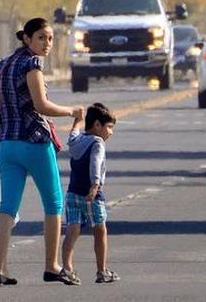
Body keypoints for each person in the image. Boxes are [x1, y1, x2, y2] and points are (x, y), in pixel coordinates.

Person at [0, 17, 84, 286]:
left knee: (7, 207)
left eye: (51, 38)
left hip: (8, 146)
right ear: (27, 39)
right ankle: (52, 266)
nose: (47, 44)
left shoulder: (3, 65)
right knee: (53, 204)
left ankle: (1, 269)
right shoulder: (32, 64)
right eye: (41, 38)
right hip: (35, 143)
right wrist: (71, 112)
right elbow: (41, 105)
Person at [62, 102, 119, 284]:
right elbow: (95, 163)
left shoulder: (77, 141)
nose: (111, 132)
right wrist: (95, 185)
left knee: (72, 230)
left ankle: (67, 269)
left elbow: (71, 137)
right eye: (109, 127)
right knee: (100, 231)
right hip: (91, 195)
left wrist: (77, 120)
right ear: (97, 125)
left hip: (72, 193)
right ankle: (102, 271)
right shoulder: (98, 142)